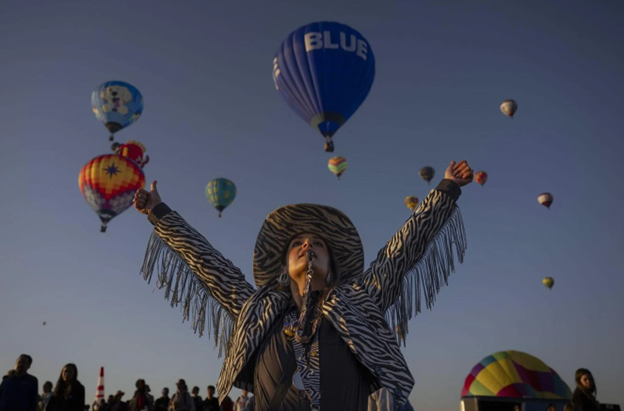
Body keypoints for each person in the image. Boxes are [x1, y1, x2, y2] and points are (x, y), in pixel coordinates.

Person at [134, 160, 473, 410]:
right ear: (284, 267)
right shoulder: (259, 310)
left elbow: (399, 253)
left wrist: (444, 190)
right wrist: (159, 211)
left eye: (318, 244)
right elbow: (208, 263)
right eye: (298, 243)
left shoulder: (358, 300)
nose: (308, 245)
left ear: (333, 266)